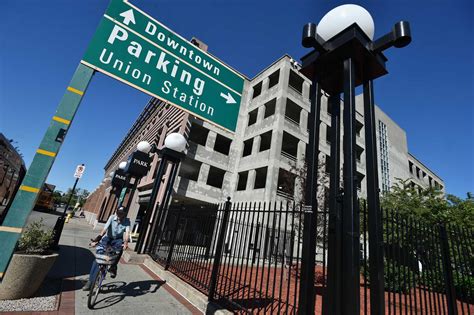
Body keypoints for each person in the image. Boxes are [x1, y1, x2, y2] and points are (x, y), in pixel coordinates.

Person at [83, 206, 130, 290]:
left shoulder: (127, 221)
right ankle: (90, 282)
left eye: (121, 214)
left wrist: (125, 243)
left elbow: (127, 233)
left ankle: (113, 267)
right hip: (107, 238)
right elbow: (104, 229)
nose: (119, 215)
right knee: (97, 259)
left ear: (125, 214)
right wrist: (97, 240)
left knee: (119, 251)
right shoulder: (112, 217)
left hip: (117, 240)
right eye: (118, 213)